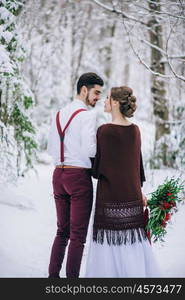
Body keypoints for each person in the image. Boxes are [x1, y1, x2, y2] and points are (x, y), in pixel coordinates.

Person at [85, 86, 161, 277]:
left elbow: (98, 169)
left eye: (108, 98)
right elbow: (137, 167)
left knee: (109, 244)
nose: (105, 101)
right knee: (131, 242)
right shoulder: (135, 130)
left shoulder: (104, 131)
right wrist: (139, 191)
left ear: (116, 103)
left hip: (110, 196)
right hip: (131, 195)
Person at [47, 72, 104, 278]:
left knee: (61, 231)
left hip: (58, 176)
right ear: (84, 90)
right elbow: (90, 151)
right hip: (78, 178)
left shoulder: (58, 114)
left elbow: (50, 147)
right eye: (96, 92)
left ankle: (52, 278)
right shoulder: (88, 115)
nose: (98, 97)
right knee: (77, 236)